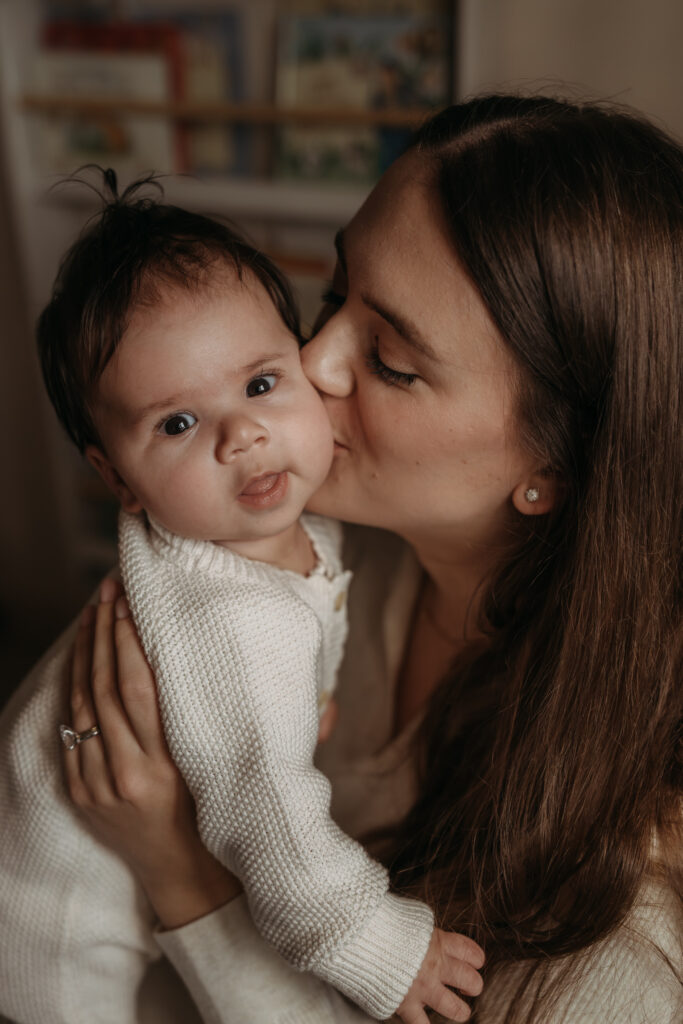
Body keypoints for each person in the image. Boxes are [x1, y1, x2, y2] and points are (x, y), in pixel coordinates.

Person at [12, 91, 683, 1024]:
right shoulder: (304, 543)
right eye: (331, 299)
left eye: (392, 359)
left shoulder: (619, 955)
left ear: (551, 470)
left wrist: (179, 866)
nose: (309, 360)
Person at [0, 185, 484, 1024]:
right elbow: (274, 831)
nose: (242, 435)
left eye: (261, 382)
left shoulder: (291, 524)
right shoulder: (226, 620)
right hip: (51, 923)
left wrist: (308, 699)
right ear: (115, 476)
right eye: (179, 423)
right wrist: (380, 949)